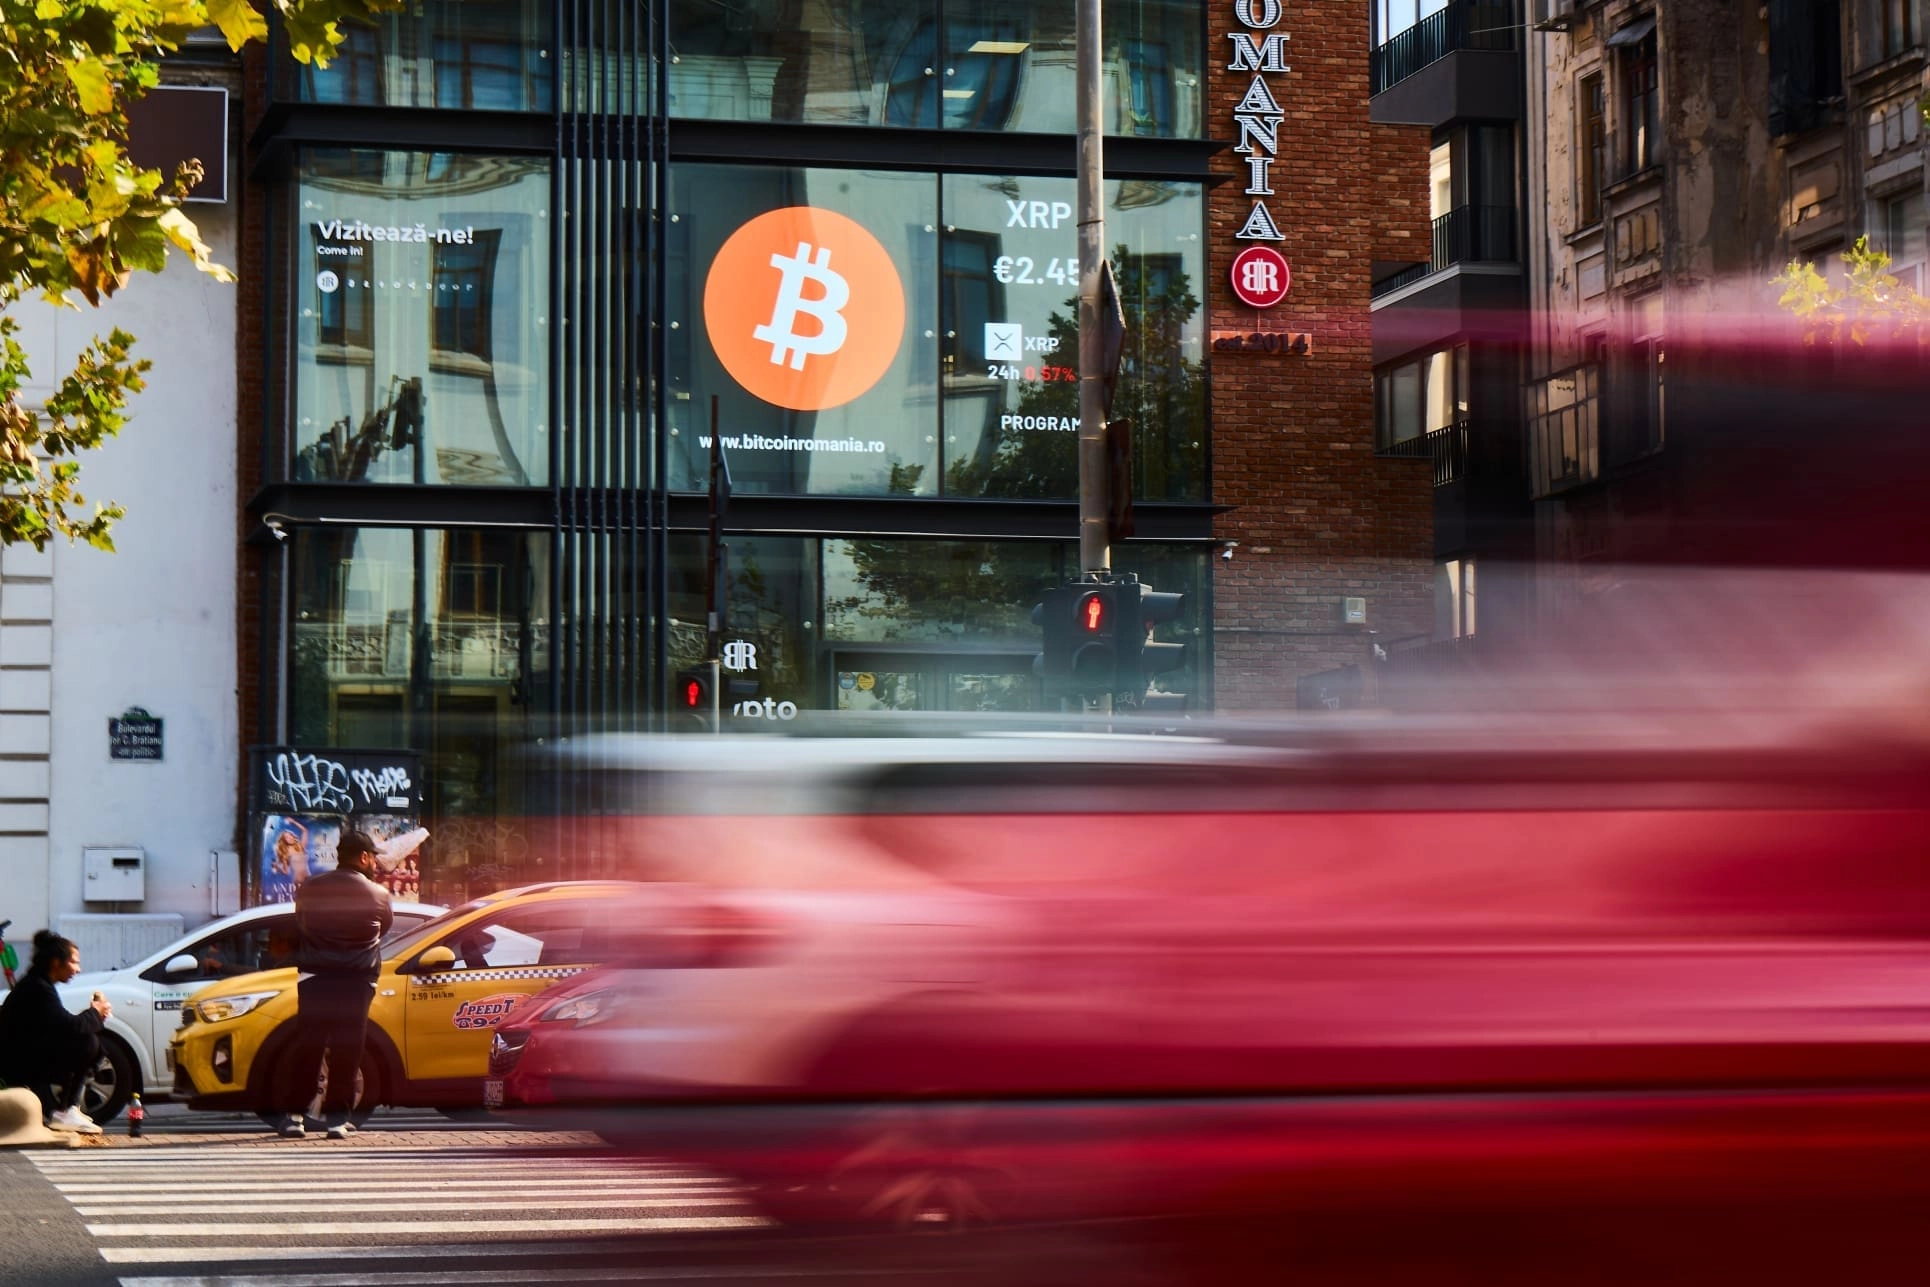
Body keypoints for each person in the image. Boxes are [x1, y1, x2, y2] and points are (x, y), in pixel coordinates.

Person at [277, 828, 393, 1140]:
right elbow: (384, 927)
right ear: (364, 857)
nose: (374, 864)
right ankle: (336, 1122)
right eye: (373, 858)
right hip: (357, 981)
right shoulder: (379, 894)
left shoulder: (310, 888)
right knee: (348, 1049)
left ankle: (294, 1118)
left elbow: (301, 924)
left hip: (315, 978)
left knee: (308, 1046)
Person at [0, 931, 112, 1134]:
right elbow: (71, 1027)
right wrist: (95, 1012)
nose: (78, 969)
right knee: (87, 1042)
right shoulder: (37, 988)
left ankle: (66, 1109)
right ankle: (65, 1111)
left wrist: (95, 1016)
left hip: (23, 1058)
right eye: (74, 962)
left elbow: (64, 1025)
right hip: (15, 1065)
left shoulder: (39, 984)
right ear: (55, 962)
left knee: (89, 1041)